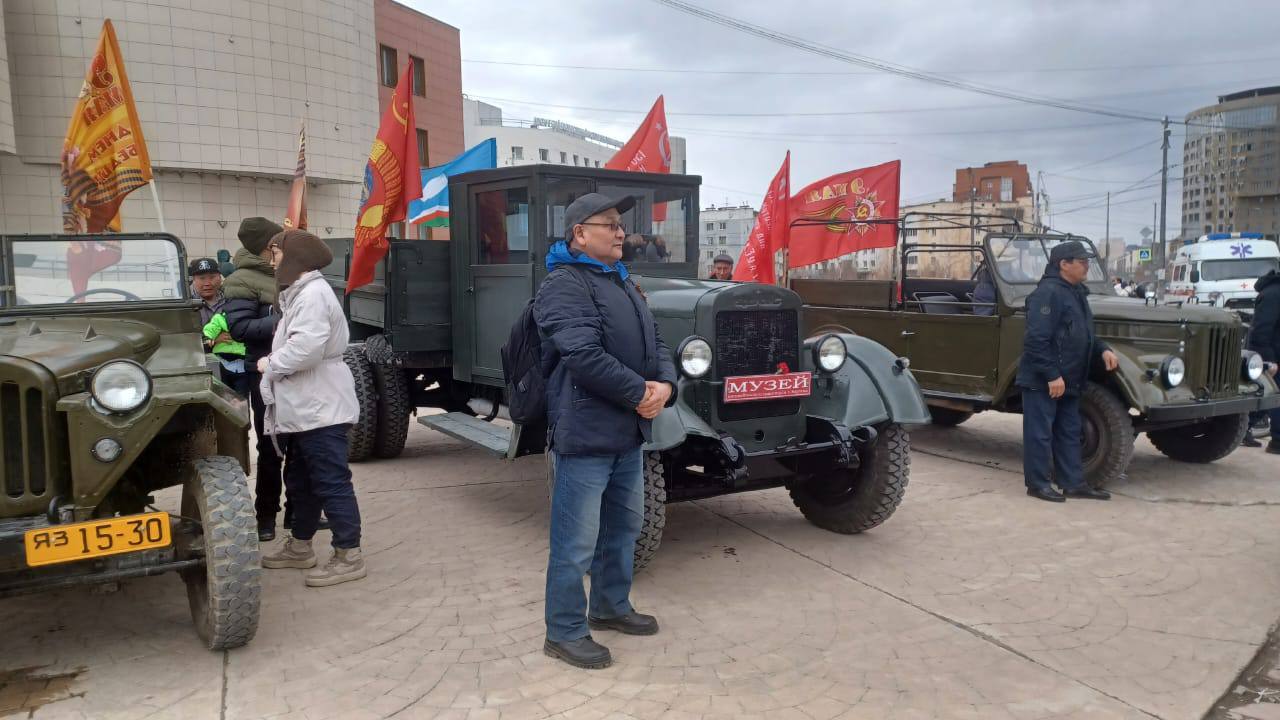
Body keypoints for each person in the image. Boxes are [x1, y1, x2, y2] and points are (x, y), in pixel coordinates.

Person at [534, 193, 678, 669]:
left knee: (623, 528)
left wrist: (666, 385)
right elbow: (583, 355)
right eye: (610, 224)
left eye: (621, 225)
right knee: (575, 543)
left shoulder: (622, 283)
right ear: (579, 234)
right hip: (585, 434)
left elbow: (655, 341)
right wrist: (641, 392)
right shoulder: (562, 285)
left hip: (627, 433)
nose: (622, 232)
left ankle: (611, 606)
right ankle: (565, 630)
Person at [258, 230, 366, 587]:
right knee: (302, 480)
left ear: (292, 257)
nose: (271, 261)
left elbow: (305, 350)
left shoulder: (313, 295)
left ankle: (348, 555)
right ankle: (300, 546)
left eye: (274, 253)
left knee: (331, 480)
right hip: (308, 407)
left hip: (320, 407)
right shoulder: (302, 294)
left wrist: (269, 364)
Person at [1017, 241, 1119, 502]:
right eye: (1082, 261)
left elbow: (1082, 333)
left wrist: (1102, 349)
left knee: (1069, 432)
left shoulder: (1075, 292)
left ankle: (1073, 483)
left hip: (1070, 378)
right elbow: (1036, 340)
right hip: (1045, 380)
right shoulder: (1048, 293)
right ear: (1064, 264)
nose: (1086, 266)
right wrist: (1051, 374)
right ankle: (1038, 484)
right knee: (1040, 434)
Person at [222, 217, 289, 542]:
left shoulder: (285, 272)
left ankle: (297, 512)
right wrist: (284, 322)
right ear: (265, 245)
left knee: (300, 444)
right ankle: (265, 515)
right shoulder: (242, 280)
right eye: (276, 242)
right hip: (262, 373)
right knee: (270, 446)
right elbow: (240, 328)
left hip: (293, 368)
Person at [191, 257, 249, 395]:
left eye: (212, 277)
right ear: (193, 279)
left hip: (235, 365)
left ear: (220, 277)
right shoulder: (186, 304)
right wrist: (213, 341)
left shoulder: (231, 299)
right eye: (202, 278)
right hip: (200, 366)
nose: (207, 283)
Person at [1247, 268, 1280, 453]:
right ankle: (1277, 441)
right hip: (1273, 356)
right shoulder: (1273, 294)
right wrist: (1269, 361)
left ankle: (1243, 428)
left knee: (1266, 398)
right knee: (1270, 397)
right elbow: (1260, 331)